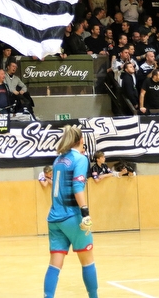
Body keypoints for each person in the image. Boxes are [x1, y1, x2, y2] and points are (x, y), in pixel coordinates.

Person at [44, 125, 98, 298]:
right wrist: (85, 213)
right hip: (73, 217)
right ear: (81, 140)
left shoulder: (58, 159)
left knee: (55, 263)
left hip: (55, 218)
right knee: (87, 261)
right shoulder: (80, 159)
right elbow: (77, 187)